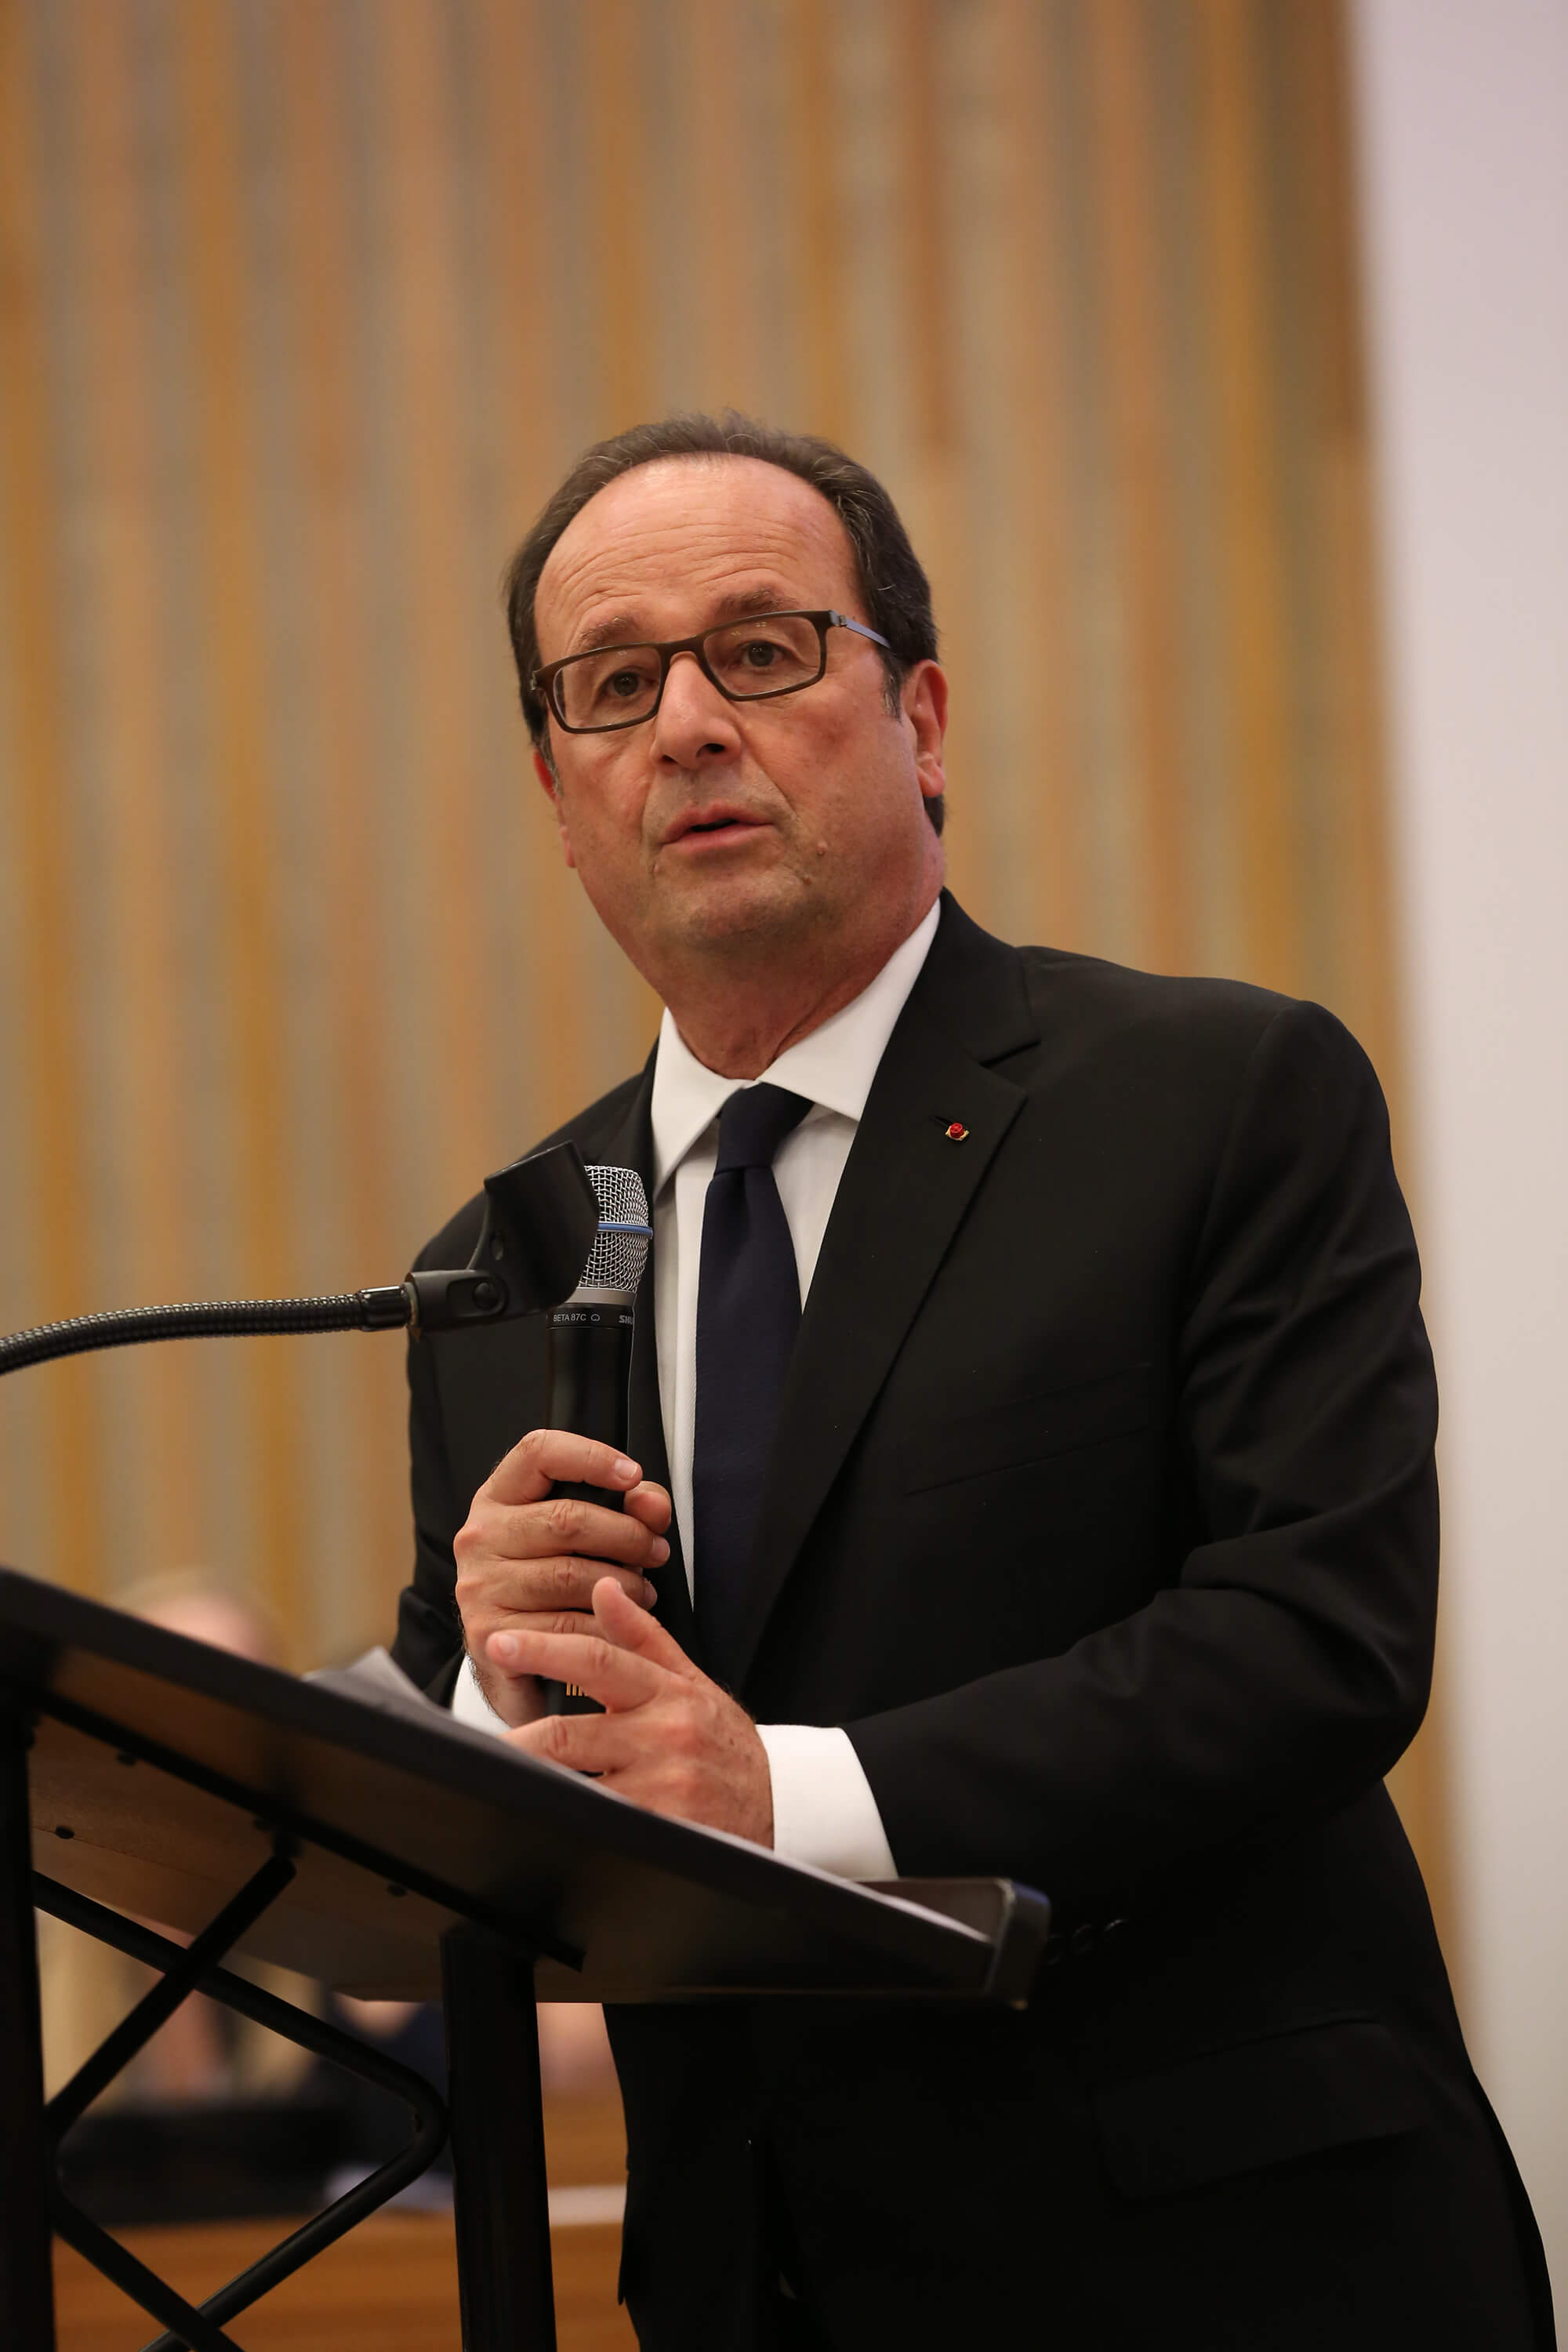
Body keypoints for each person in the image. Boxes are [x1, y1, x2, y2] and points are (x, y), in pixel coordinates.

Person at [390, 414, 1552, 2350]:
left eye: (759, 650)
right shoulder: (500, 1256)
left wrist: (785, 1792)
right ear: (557, 794)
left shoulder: (1211, 1099)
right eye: (613, 685)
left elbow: (1317, 1639)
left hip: (1230, 2271)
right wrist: (493, 1699)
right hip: (764, 2292)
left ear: (919, 719)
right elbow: (482, 1802)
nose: (686, 726)